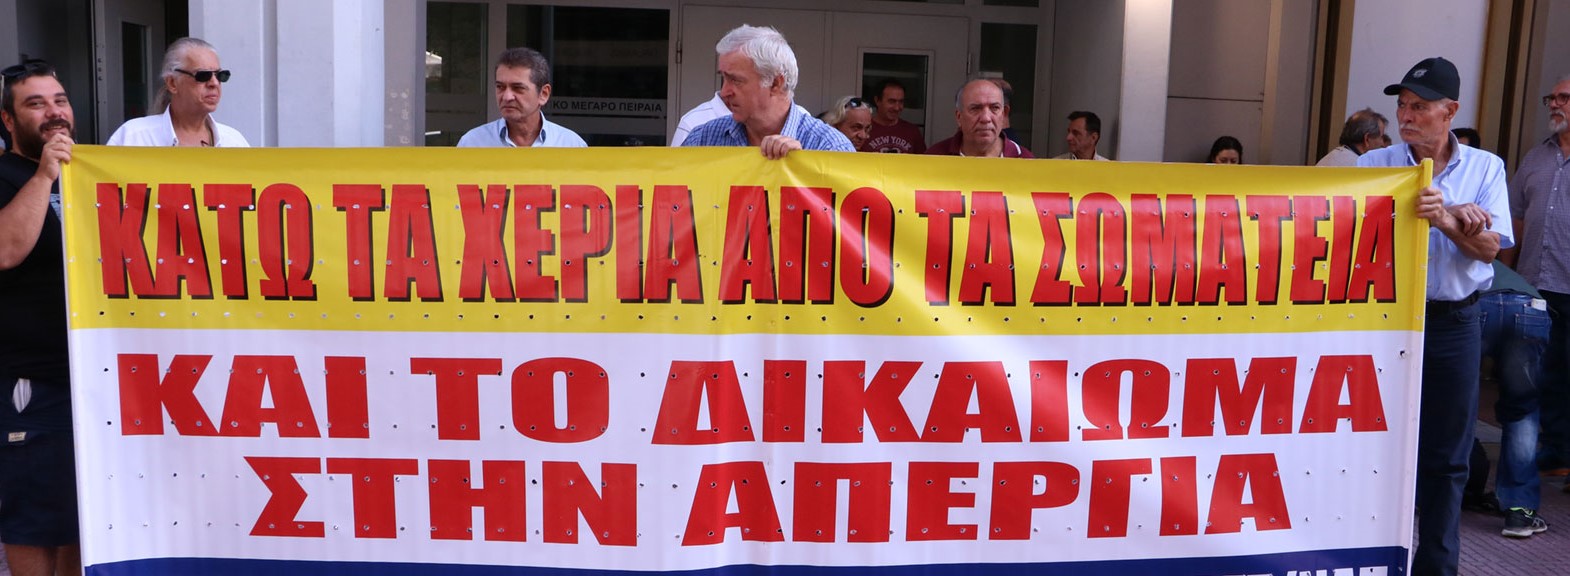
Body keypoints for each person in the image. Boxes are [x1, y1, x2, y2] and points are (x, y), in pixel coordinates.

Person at [1358, 56, 1512, 576]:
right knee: (1375, 447)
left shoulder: (1486, 168)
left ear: (1450, 112)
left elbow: (1490, 249)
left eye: (1420, 107)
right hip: (1383, 325)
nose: (1406, 115)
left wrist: (1445, 219)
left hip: (1453, 324)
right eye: (1402, 105)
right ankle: (1372, 559)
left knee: (1447, 457)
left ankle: (1437, 568)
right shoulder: (1374, 167)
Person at [0, 58, 81, 576]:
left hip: (91, 379)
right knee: (33, 520)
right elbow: (6, 250)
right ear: (8, 120)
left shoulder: (84, 172)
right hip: (32, 382)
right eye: (36, 104)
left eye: (60, 100)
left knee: (79, 518)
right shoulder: (9, 176)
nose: (53, 112)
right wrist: (45, 174)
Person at [1508, 74, 1570, 479]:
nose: (1554, 104)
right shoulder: (1535, 158)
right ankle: (1556, 452)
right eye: (1551, 97)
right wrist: (1504, 275)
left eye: (1563, 97)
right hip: (1534, 285)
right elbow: (1513, 218)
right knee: (1539, 373)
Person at [683, 25, 853, 158]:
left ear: (775, 83)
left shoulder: (829, 147)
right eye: (724, 78)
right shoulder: (702, 139)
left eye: (736, 80)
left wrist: (804, 168)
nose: (724, 91)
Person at [1475, 261, 1550, 538]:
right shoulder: (1489, 256)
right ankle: (1520, 510)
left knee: (1455, 403)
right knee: (1522, 411)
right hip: (1529, 307)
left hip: (1477, 307)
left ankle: (1443, 494)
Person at [107, 37, 249, 147]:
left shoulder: (234, 142)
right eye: (203, 75)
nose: (214, 83)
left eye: (220, 75)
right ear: (172, 83)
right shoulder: (133, 138)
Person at [457, 47, 585, 148]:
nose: (507, 97)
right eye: (500, 87)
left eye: (518, 88)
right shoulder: (472, 143)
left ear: (544, 94)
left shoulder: (570, 144)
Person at [926, 79, 1033, 158]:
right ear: (959, 117)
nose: (986, 118)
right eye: (975, 109)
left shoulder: (1025, 161)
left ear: (1004, 114)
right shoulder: (934, 157)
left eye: (994, 108)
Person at [861, 78, 925, 153]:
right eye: (891, 101)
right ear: (877, 100)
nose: (897, 108)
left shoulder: (912, 131)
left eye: (901, 102)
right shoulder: (863, 130)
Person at [1316, 107, 1387, 166]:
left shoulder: (1328, 159)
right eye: (1381, 137)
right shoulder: (1360, 169)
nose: (1383, 144)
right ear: (1367, 139)